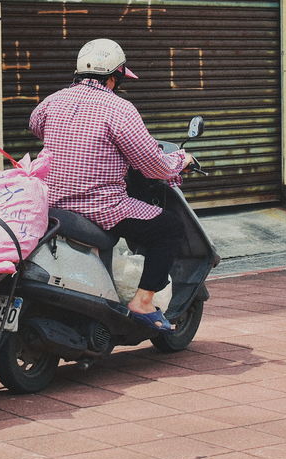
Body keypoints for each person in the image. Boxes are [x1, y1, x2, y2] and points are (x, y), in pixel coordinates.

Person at [29, 38, 194, 332]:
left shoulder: (52, 101)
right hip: (100, 207)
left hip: (51, 201)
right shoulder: (120, 109)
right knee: (169, 227)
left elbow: (36, 126)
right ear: (114, 77)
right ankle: (143, 302)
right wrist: (181, 160)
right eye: (119, 79)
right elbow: (152, 164)